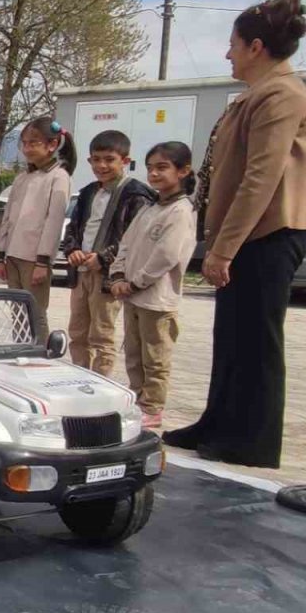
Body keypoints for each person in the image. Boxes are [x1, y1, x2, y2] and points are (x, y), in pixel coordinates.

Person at [165, 0, 306, 467]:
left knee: (257, 341)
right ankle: (218, 422)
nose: (228, 54)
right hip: (246, 234)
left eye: (233, 44)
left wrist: (224, 248)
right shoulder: (256, 94)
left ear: (256, 47)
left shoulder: (282, 94)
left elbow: (261, 177)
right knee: (231, 336)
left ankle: (252, 442)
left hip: (268, 234)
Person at [108, 142, 197, 430]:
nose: (154, 174)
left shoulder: (181, 211)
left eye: (162, 167)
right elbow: (126, 243)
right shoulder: (150, 207)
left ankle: (152, 407)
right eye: (150, 168)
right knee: (133, 353)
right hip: (132, 295)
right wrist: (118, 275)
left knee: (155, 356)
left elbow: (166, 256)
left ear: (183, 171)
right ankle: (136, 397)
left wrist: (136, 282)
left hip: (157, 299)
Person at [59, 130, 155, 376]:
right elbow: (73, 228)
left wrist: (103, 258)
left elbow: (134, 238)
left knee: (101, 335)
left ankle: (100, 382)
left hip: (107, 276)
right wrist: (73, 250)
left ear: (125, 160)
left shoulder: (136, 195)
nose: (102, 166)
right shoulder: (88, 192)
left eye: (109, 159)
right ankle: (79, 377)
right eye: (96, 159)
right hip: (82, 272)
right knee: (78, 332)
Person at [0, 116, 75, 339]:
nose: (27, 148)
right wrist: (1, 255)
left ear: (52, 144)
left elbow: (53, 221)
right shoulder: (22, 178)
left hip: (34, 258)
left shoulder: (59, 177)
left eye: (33, 143)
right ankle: (21, 349)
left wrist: (43, 261)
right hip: (13, 255)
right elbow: (8, 217)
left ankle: (40, 353)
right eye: (25, 143)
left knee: (35, 313)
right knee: (17, 312)